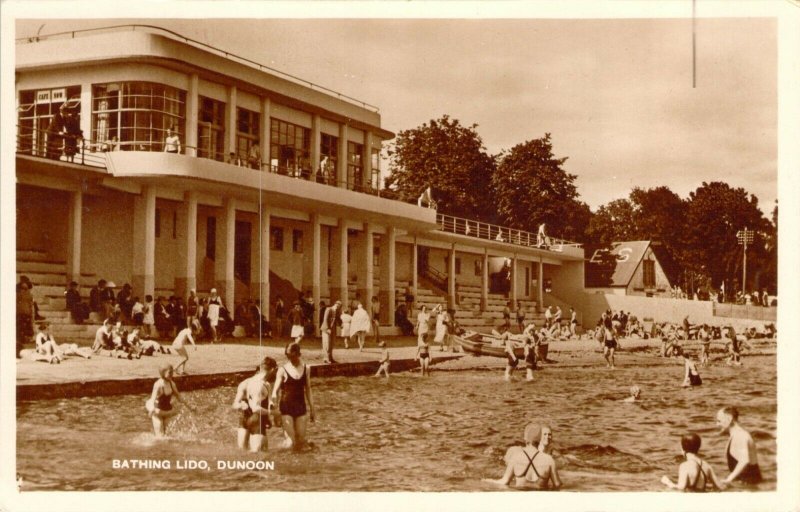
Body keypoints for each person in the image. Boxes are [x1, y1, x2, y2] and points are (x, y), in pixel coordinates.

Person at [484, 423, 561, 490]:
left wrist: (486, 481)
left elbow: (504, 482)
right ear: (539, 439)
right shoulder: (549, 460)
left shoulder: (515, 457)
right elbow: (557, 485)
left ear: (525, 438)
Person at [272, 342, 314, 451]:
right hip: (286, 407)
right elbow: (275, 391)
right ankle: (278, 453)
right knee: (291, 443)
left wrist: (312, 409)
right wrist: (275, 410)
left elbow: (308, 389)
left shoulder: (307, 368)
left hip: (300, 407)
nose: (289, 358)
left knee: (300, 442)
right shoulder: (282, 370)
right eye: (287, 356)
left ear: (297, 354)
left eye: (291, 356)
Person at [232, 357, 278, 452]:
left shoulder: (248, 383)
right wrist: (276, 413)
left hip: (244, 420)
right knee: (260, 454)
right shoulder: (257, 385)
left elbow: (234, 404)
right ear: (273, 369)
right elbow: (254, 408)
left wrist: (268, 418)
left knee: (242, 453)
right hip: (256, 420)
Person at [716, 407, 762, 486]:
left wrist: (728, 480)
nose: (717, 424)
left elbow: (744, 460)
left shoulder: (740, 435)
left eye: (719, 421)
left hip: (749, 487)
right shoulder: (736, 434)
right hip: (746, 485)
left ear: (729, 419)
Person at [146, 363, 192, 437]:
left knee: (169, 435)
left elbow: (179, 397)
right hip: (158, 413)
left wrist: (189, 407)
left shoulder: (172, 383)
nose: (172, 374)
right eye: (169, 373)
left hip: (167, 412)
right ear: (163, 373)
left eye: (172, 372)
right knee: (160, 437)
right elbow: (152, 399)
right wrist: (151, 410)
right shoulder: (158, 384)